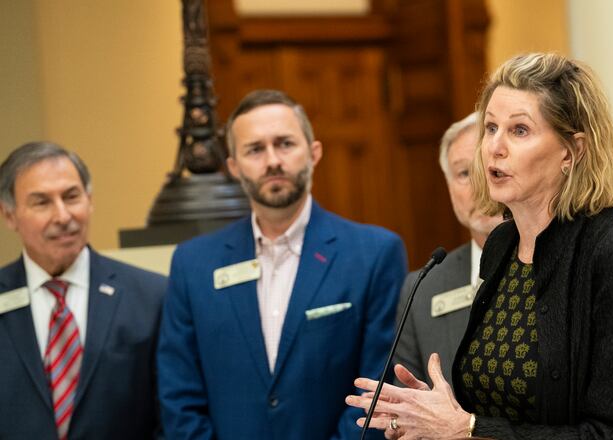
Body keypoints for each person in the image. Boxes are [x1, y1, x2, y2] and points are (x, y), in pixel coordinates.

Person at [347, 52, 613, 439]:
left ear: (572, 150)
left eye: (519, 131)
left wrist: (466, 428)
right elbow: (503, 410)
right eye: (491, 128)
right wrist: (432, 418)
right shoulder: (503, 246)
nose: (495, 147)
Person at [158, 89, 408, 439]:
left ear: (314, 153)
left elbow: (377, 389)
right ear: (233, 167)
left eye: (285, 144)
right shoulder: (193, 264)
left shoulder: (374, 254)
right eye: (255, 149)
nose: (273, 160)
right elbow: (178, 396)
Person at [0, 142, 166, 440]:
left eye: (71, 197)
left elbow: (171, 414)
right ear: (9, 215)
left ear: (89, 201)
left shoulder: (152, 297)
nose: (63, 216)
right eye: (42, 202)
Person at [394, 113, 501, 385]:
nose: (480, 186)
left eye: (490, 166)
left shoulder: (566, 264)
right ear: (448, 186)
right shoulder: (424, 287)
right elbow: (405, 399)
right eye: (465, 173)